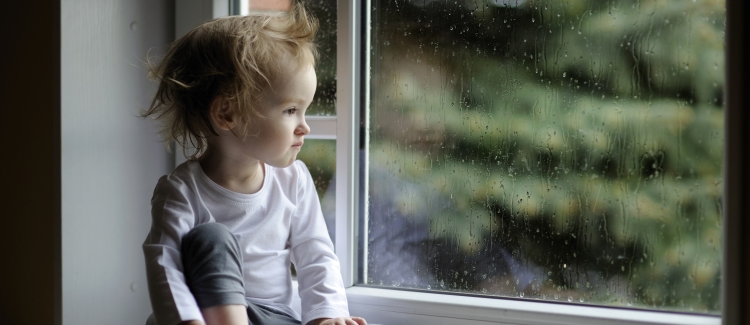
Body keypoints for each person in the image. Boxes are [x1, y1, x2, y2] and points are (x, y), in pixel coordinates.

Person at [140, 4, 367, 325]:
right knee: (211, 238)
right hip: (206, 318)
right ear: (227, 114)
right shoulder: (182, 190)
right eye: (291, 110)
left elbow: (316, 255)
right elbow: (165, 266)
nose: (305, 126)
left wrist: (327, 316)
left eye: (305, 111)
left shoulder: (294, 180)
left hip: (275, 318)